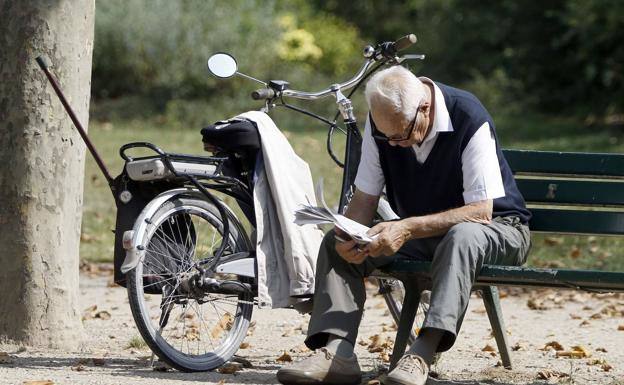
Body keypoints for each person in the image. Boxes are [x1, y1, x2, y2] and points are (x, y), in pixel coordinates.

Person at [276, 66, 531, 385]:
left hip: (499, 229)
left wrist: (406, 228)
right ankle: (337, 353)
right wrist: (350, 234)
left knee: (463, 235)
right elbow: (366, 198)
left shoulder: (467, 115)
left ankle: (421, 354)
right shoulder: (382, 124)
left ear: (424, 107)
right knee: (334, 243)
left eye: (401, 135)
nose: (394, 144)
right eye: (388, 137)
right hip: (431, 234)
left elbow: (480, 212)